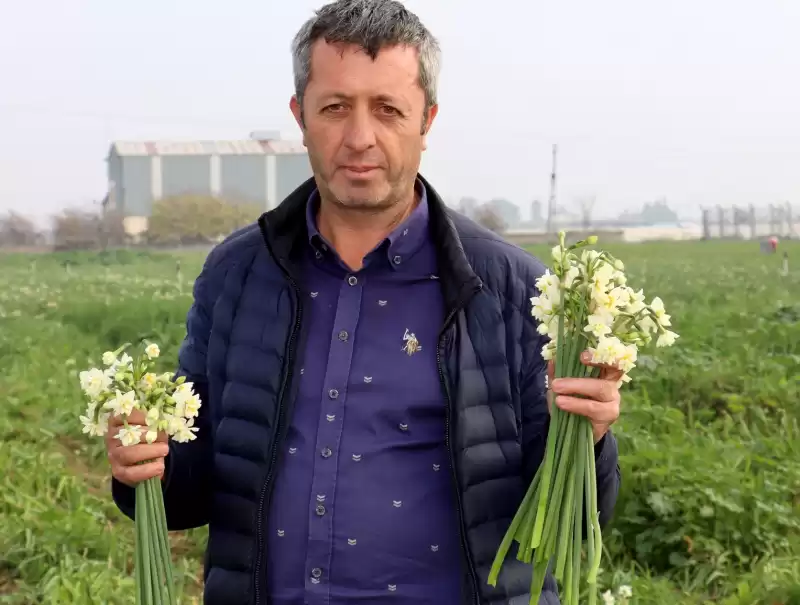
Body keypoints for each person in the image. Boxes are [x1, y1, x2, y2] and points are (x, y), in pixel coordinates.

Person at [106, 1, 622, 604]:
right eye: (334, 107)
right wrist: (141, 464)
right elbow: (186, 493)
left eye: (387, 109)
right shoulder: (238, 275)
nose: (359, 137)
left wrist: (587, 438)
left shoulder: (515, 291)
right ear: (300, 116)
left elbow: (571, 522)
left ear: (426, 120)